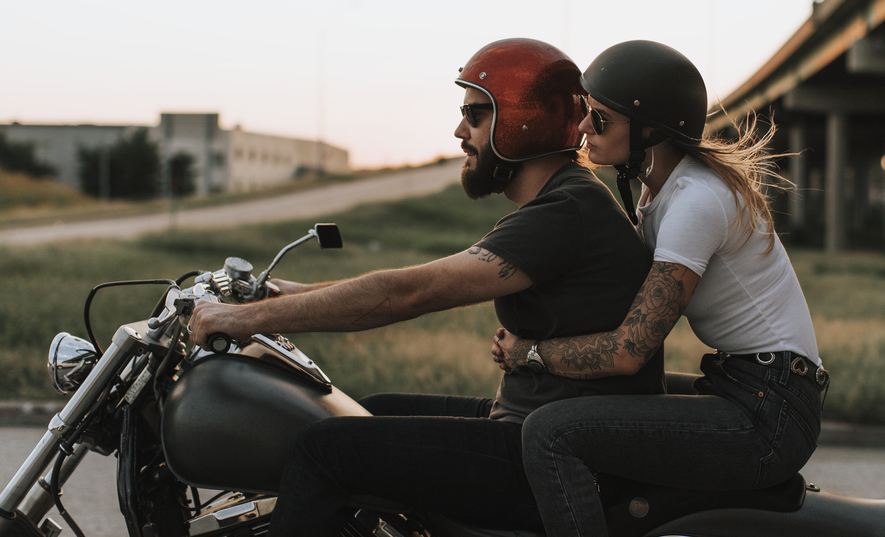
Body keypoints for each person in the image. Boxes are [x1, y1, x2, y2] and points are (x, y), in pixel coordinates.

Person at [188, 38, 664, 535]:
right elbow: (410, 285)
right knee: (363, 414)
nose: (460, 131)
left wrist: (246, 319)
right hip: (528, 425)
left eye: (476, 114)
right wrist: (283, 294)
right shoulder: (567, 201)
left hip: (551, 457)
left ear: (525, 121)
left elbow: (408, 292)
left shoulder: (567, 212)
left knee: (323, 449)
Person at [492, 40, 828, 537]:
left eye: (600, 119)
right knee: (597, 401)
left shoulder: (696, 202)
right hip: (747, 387)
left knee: (550, 432)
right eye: (586, 112)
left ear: (650, 130)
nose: (584, 127)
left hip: (770, 412)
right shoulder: (659, 191)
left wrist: (530, 352)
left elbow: (628, 350)